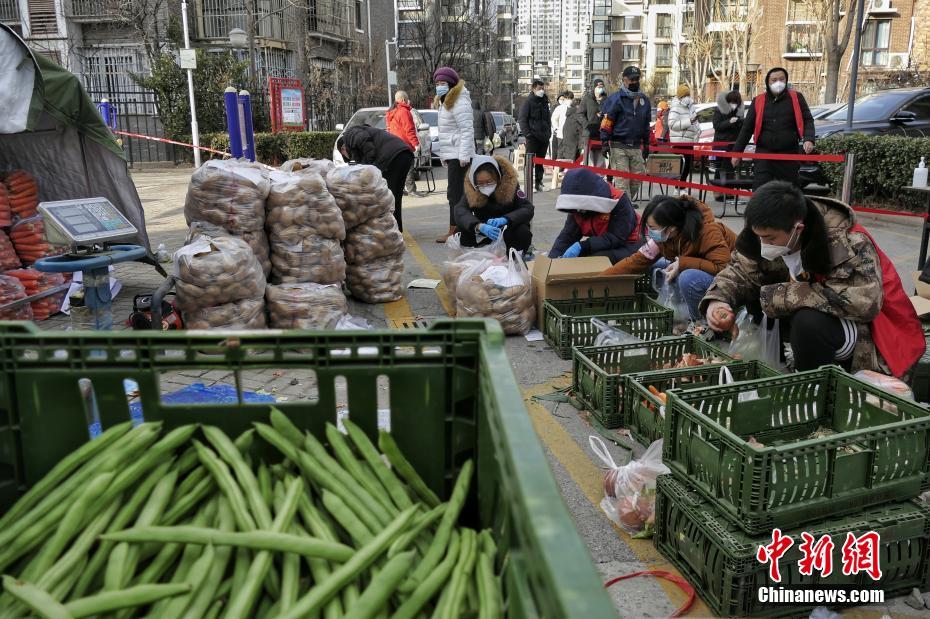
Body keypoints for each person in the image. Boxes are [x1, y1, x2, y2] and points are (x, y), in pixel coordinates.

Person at [702, 181, 924, 375]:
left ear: (798, 229)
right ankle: (777, 365)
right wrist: (717, 300)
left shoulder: (847, 241)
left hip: (869, 328)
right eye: (758, 236)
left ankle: (813, 388)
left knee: (807, 322)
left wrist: (776, 297)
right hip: (817, 314)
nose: (763, 244)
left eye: (769, 238)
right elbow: (740, 269)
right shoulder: (764, 230)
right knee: (758, 298)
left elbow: (863, 303)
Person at [601, 194, 737, 321]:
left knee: (687, 277)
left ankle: (699, 322)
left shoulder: (708, 232)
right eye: (648, 227)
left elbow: (723, 267)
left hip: (731, 279)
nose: (650, 232)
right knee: (655, 265)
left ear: (671, 228)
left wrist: (683, 263)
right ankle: (679, 311)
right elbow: (637, 261)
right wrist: (600, 280)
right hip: (702, 268)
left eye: (653, 228)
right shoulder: (663, 238)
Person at [732, 67, 815, 189]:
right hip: (764, 154)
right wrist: (737, 152)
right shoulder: (758, 101)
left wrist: (809, 138)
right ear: (768, 82)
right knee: (761, 190)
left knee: (789, 192)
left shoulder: (796, 98)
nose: (778, 82)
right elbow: (747, 129)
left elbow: (808, 119)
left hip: (789, 154)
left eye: (782, 79)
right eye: (774, 80)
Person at [549, 168, 641, 263]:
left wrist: (584, 246)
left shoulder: (618, 200)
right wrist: (551, 260)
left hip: (632, 244)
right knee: (572, 258)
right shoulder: (577, 209)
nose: (578, 211)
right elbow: (568, 236)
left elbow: (616, 237)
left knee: (594, 260)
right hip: (607, 244)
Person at [336, 125, 413, 232]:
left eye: (345, 155)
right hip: (403, 155)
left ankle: (393, 230)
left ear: (343, 149)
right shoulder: (356, 137)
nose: (349, 157)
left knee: (390, 195)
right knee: (394, 196)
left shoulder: (351, 134)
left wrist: (369, 170)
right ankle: (396, 229)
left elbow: (369, 149)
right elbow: (362, 162)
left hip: (395, 157)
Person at [454, 155, 534, 253]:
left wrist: (506, 219)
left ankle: (514, 259)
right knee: (460, 230)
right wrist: (478, 226)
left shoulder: (510, 186)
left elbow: (527, 208)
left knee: (522, 231)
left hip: (507, 229)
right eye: (480, 183)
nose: (485, 186)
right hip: (485, 230)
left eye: (489, 182)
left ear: (497, 177)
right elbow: (460, 210)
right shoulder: (472, 189)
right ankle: (471, 260)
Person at [433, 66, 475, 243]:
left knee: (456, 194)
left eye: (442, 83)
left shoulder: (458, 101)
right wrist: (445, 155)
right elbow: (447, 132)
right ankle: (458, 228)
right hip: (454, 154)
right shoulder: (447, 101)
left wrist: (463, 156)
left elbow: (467, 130)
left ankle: (457, 230)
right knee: (456, 194)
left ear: (451, 84)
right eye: (437, 83)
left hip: (460, 156)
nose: (439, 86)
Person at [600, 66, 651, 197]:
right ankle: (626, 208)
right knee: (622, 181)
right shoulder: (615, 99)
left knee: (638, 177)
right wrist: (605, 142)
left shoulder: (644, 100)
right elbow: (607, 121)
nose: (635, 82)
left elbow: (646, 124)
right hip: (618, 145)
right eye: (632, 79)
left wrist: (646, 144)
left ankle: (623, 203)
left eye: (637, 79)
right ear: (624, 80)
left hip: (636, 146)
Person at [385, 90, 420, 196]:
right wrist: (416, 144)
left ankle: (400, 189)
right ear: (404, 99)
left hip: (394, 144)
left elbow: (389, 129)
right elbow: (409, 129)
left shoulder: (391, 112)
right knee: (408, 167)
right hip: (404, 144)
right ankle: (411, 190)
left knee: (398, 168)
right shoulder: (404, 111)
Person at [519, 79, 551, 191]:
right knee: (529, 161)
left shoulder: (545, 101)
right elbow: (522, 119)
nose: (541, 91)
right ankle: (528, 182)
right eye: (539, 89)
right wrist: (527, 134)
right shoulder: (528, 102)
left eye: (543, 88)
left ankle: (539, 182)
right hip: (532, 137)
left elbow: (548, 119)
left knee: (540, 162)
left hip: (544, 137)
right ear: (533, 89)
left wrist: (548, 133)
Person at [711, 90, 744, 198]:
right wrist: (729, 122)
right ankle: (718, 192)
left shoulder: (739, 111)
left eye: (736, 102)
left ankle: (729, 191)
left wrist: (740, 122)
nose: (733, 104)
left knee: (730, 168)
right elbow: (717, 125)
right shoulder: (719, 110)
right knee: (720, 168)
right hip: (721, 144)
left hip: (733, 144)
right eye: (731, 102)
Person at [667, 84, 700, 182]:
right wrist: (689, 121)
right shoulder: (675, 108)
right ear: (679, 97)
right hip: (679, 142)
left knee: (688, 168)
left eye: (688, 95)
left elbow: (695, 122)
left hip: (689, 142)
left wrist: (697, 130)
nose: (687, 98)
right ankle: (678, 188)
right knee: (679, 167)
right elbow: (672, 124)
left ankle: (682, 187)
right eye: (684, 96)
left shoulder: (691, 107)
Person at [584, 78, 608, 167]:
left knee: (600, 160)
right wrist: (586, 124)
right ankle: (589, 177)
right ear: (594, 87)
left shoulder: (607, 99)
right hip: (589, 132)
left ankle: (600, 177)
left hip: (602, 133)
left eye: (602, 86)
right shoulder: (587, 98)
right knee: (589, 160)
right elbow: (580, 113)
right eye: (598, 86)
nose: (600, 88)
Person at [558, 99, 586, 163]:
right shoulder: (577, 114)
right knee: (572, 160)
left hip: (568, 139)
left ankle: (562, 170)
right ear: (578, 106)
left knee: (568, 157)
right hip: (574, 140)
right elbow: (580, 128)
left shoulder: (570, 114)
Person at [550, 92, 572, 162]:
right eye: (561, 99)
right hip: (559, 134)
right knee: (559, 152)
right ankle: (558, 168)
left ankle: (566, 169)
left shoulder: (573, 108)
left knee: (568, 153)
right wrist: (556, 128)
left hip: (570, 135)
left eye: (570, 98)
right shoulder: (557, 108)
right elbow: (553, 119)